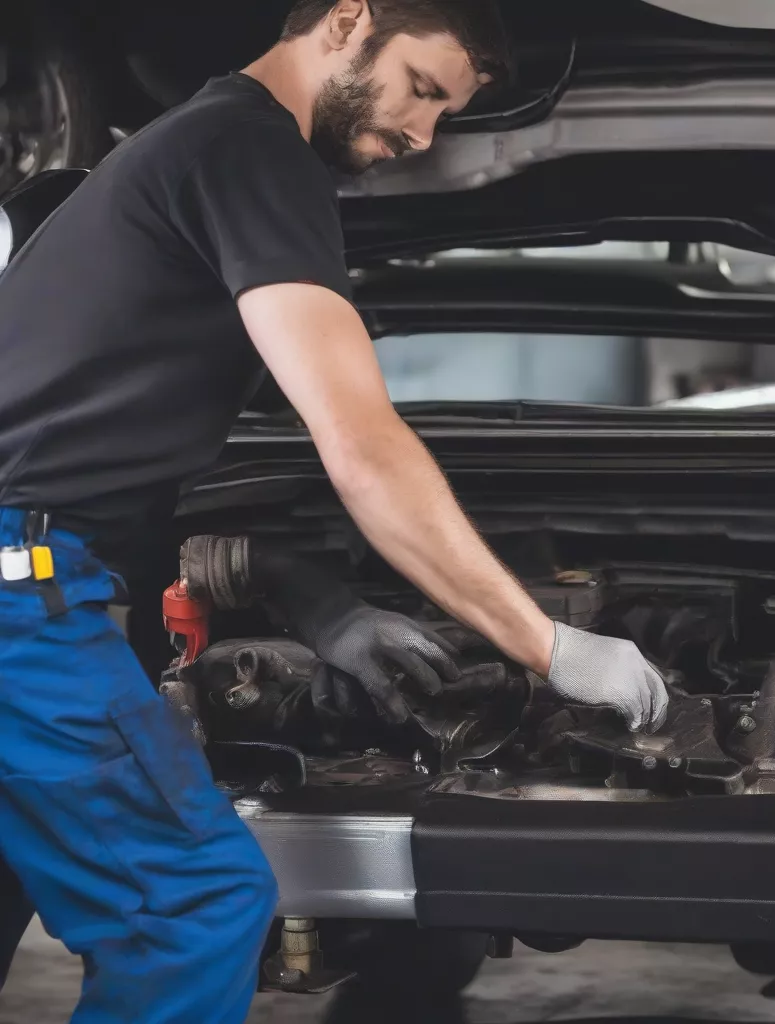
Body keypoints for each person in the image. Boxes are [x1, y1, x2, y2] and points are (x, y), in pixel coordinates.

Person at [0, 1, 670, 1019]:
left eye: (446, 114)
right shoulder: (252, 148)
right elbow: (360, 444)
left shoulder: (196, 143)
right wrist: (549, 646)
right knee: (191, 909)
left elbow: (93, 462)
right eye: (422, 90)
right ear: (349, 18)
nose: (424, 134)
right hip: (25, 601)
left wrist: (324, 609)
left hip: (34, 573)